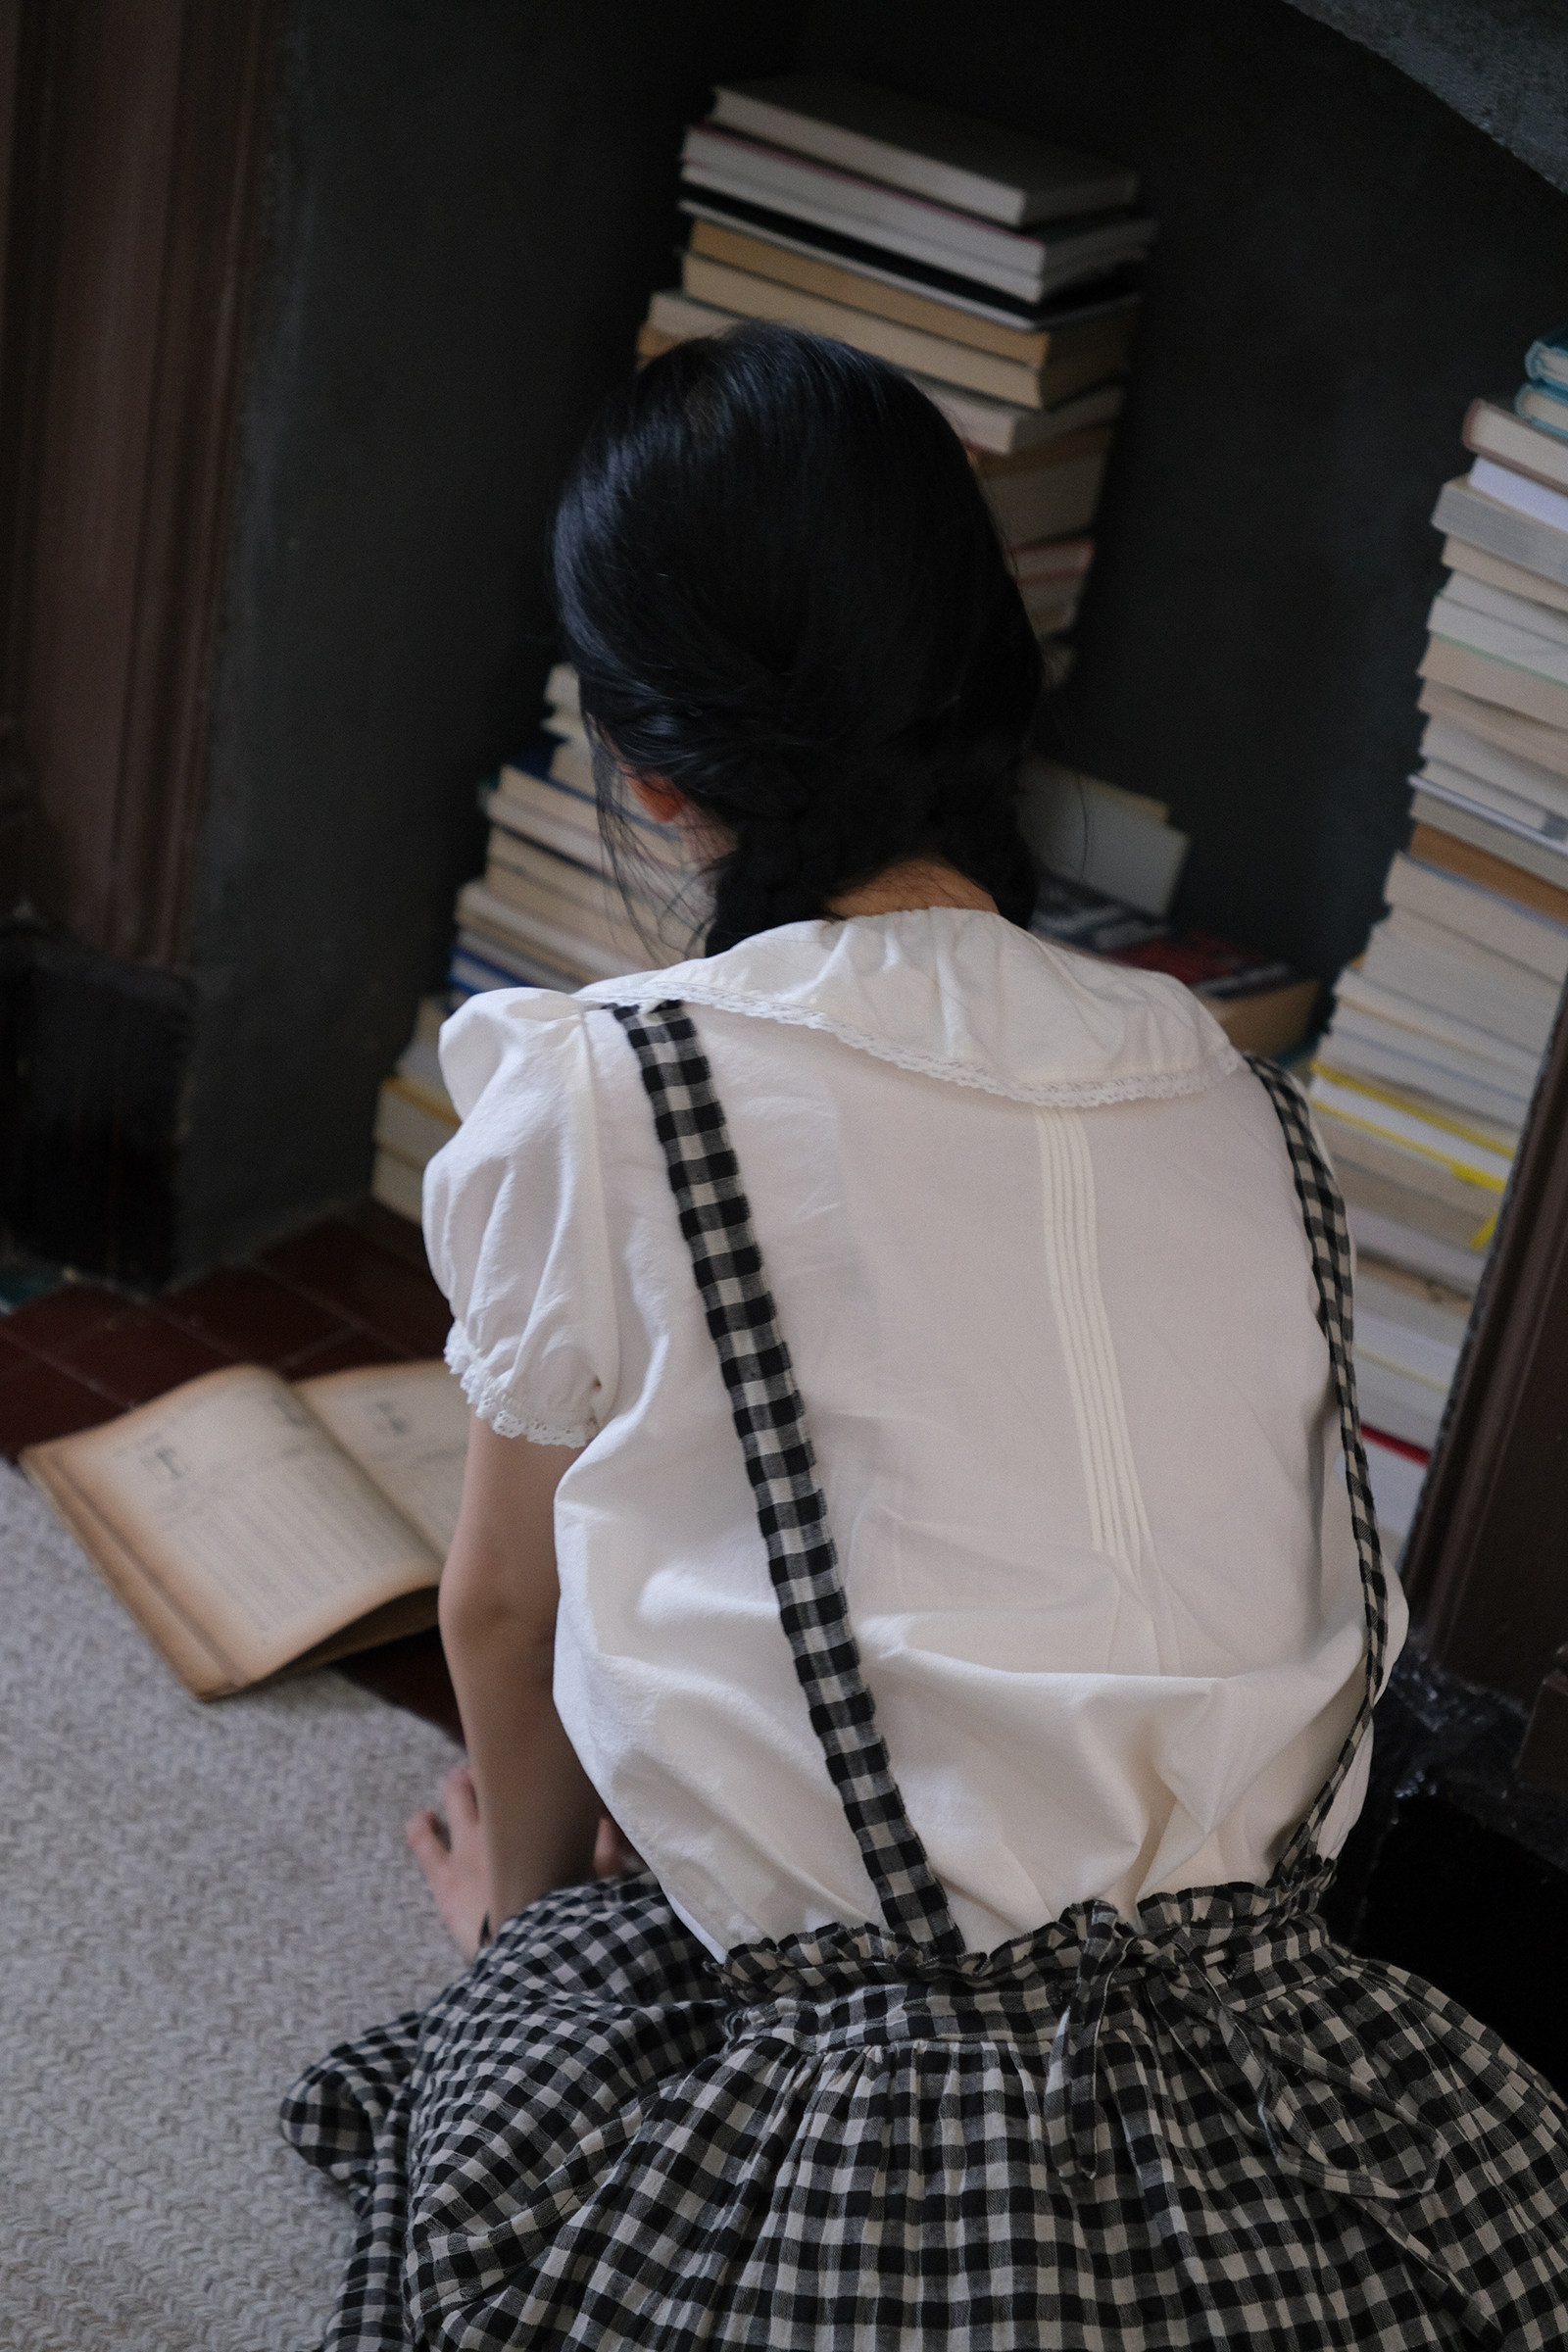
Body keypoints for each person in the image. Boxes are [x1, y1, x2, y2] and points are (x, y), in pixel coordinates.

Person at [284, 324, 1568, 2349]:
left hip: (872, 2135)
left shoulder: (614, 1086)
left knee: (501, 2160)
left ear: (647, 773)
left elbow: (505, 1612)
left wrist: (526, 1961)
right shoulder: (1237, 1093)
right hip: (1276, 2070)